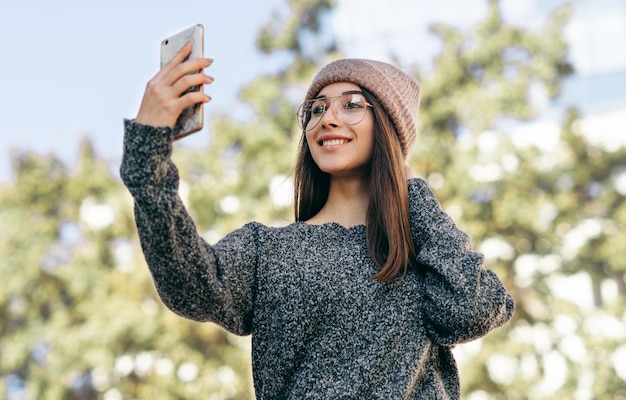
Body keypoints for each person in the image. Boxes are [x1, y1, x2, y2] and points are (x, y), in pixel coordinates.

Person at [120, 42, 515, 399]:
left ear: (390, 128)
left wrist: (414, 191)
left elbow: (471, 310)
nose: (327, 119)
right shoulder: (268, 251)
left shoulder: (425, 256)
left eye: (352, 104)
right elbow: (189, 285)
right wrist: (147, 154)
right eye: (317, 108)